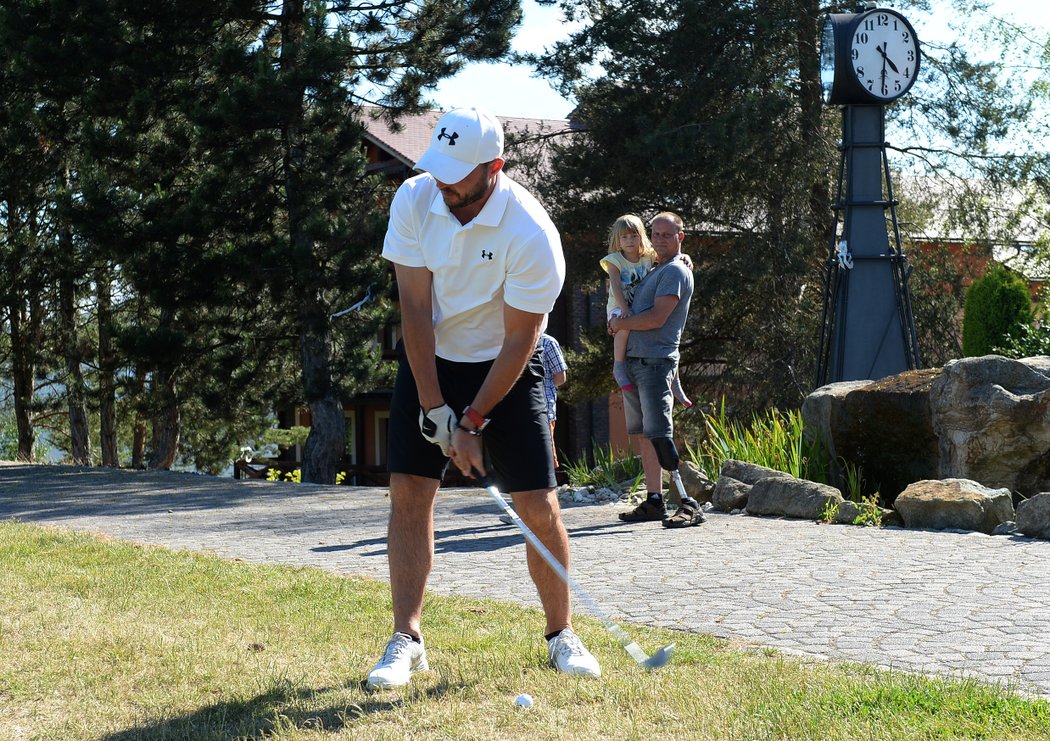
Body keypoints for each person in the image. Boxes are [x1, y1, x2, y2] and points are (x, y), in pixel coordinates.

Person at [368, 106, 601, 690]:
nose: (445, 187)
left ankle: (559, 634)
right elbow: (414, 309)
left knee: (538, 506)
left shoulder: (531, 232)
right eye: (438, 171)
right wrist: (434, 406)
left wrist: (472, 420)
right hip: (433, 361)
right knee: (410, 495)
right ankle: (407, 638)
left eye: (459, 177)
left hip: (506, 364)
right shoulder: (416, 199)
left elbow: (522, 338)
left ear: (494, 167)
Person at [609, 212, 704, 529]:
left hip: (655, 364)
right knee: (646, 436)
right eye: (656, 233)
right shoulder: (655, 268)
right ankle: (654, 500)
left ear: (681, 236)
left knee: (660, 434)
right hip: (637, 362)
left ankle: (688, 503)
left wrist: (621, 324)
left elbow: (656, 318)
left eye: (667, 234)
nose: (660, 239)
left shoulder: (674, 271)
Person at [601, 215, 692, 407]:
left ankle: (676, 383)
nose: (629, 241)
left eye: (634, 236)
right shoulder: (614, 260)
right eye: (624, 237)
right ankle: (618, 366)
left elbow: (671, 258)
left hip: (636, 310)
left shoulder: (647, 256)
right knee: (623, 329)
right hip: (619, 306)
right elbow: (615, 287)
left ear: (641, 236)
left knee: (671, 342)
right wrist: (623, 310)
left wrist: (686, 257)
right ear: (617, 240)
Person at [499, 332, 566, 526]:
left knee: (544, 461)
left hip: (544, 409)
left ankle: (545, 511)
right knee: (523, 461)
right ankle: (523, 511)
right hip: (520, 410)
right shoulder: (512, 340)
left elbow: (561, 377)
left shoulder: (547, 342)